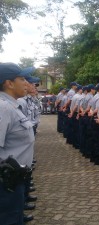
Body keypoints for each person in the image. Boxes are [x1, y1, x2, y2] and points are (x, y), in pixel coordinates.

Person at [0, 62, 36, 224]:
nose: (26, 83)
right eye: (22, 79)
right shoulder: (4, 108)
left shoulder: (12, 106)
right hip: (6, 182)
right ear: (9, 83)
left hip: (15, 179)